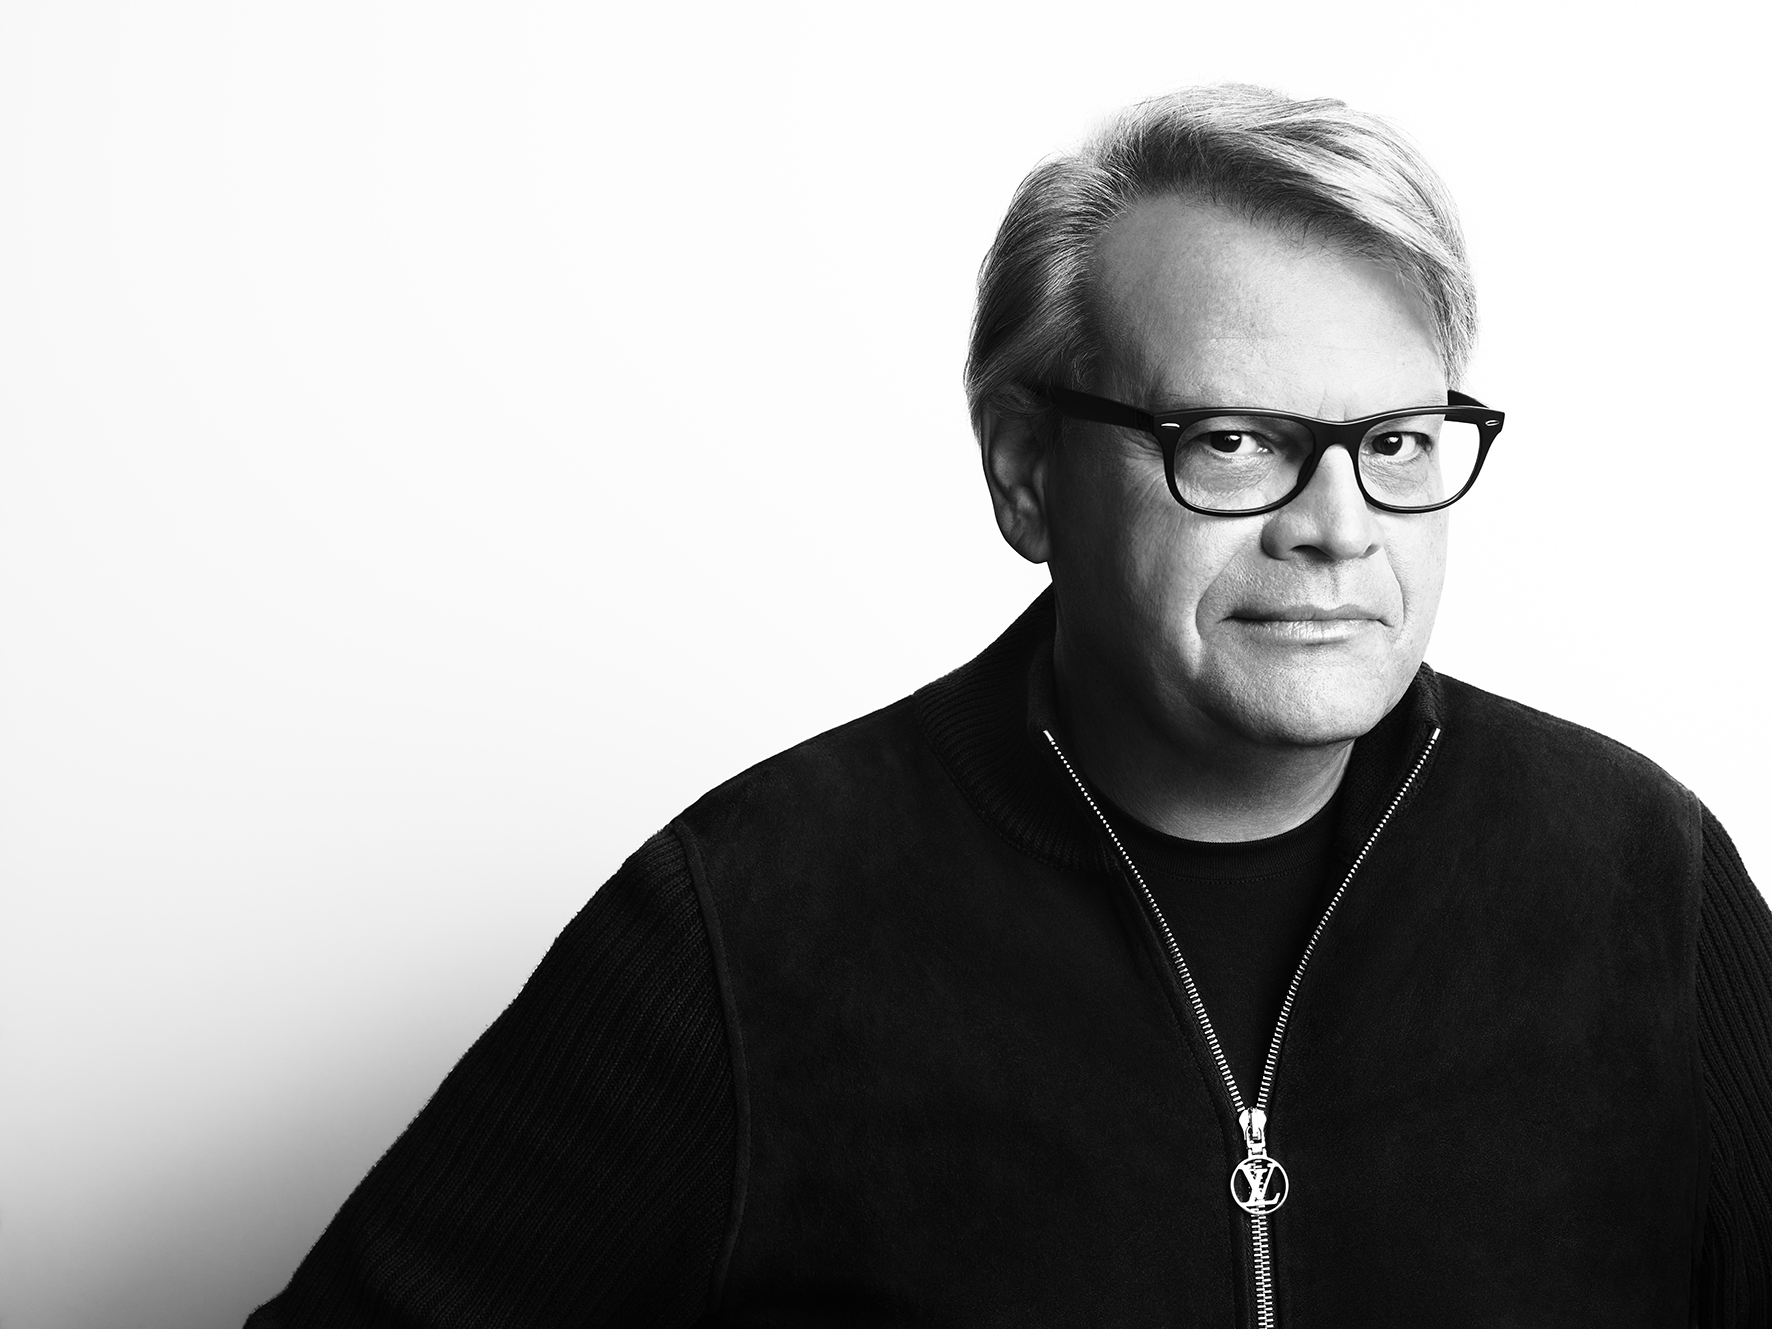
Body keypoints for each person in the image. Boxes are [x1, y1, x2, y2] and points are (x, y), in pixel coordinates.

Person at [246, 85, 1772, 1327]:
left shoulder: (1644, 876)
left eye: (1394, 440)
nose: (1336, 526)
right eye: (1234, 440)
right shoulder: (747, 921)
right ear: (1029, 472)